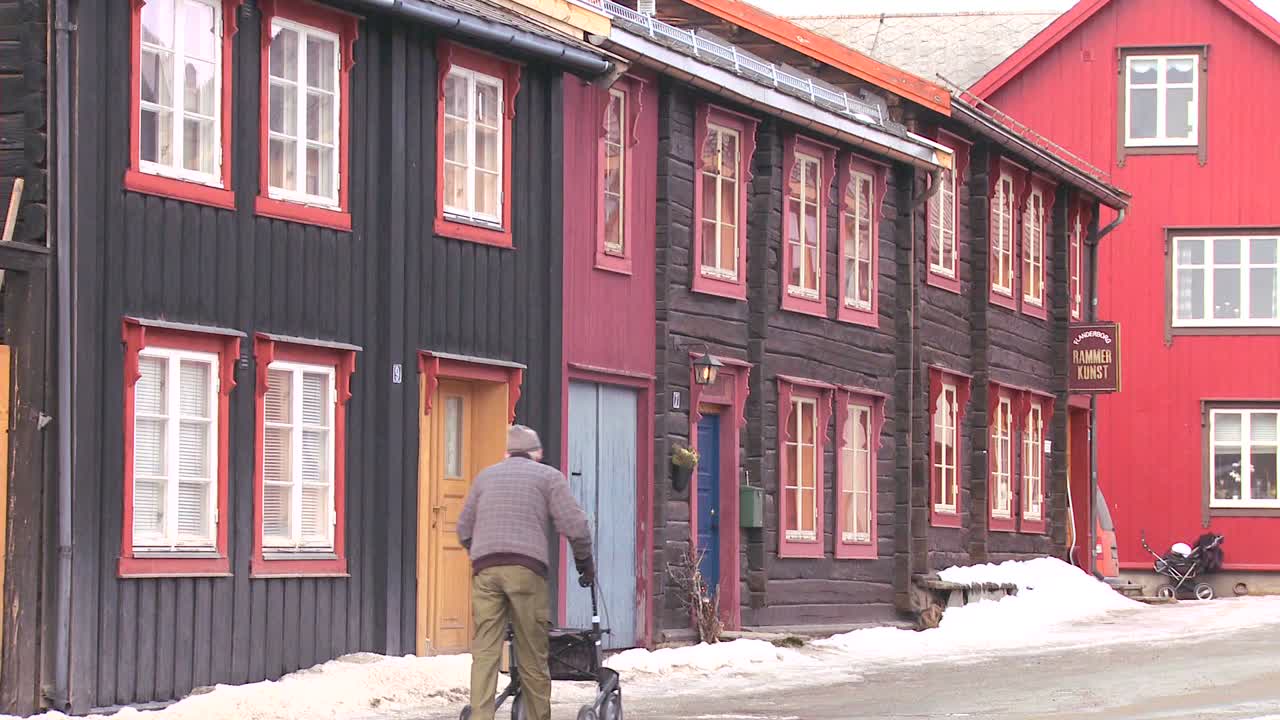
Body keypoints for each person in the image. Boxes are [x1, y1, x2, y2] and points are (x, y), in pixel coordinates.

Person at [457, 424, 595, 720]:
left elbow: (463, 528)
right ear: (538, 454)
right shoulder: (547, 476)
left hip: (485, 571)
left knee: (485, 653)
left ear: (506, 453)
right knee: (532, 654)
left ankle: (481, 716)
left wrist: (481, 553)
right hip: (526, 570)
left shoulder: (485, 477)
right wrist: (585, 564)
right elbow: (576, 526)